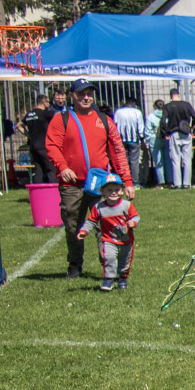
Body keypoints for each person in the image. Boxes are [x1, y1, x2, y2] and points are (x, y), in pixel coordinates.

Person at [45, 79, 134, 279]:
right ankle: (75, 264)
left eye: (89, 94)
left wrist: (127, 182)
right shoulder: (62, 119)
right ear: (72, 96)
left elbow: (118, 151)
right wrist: (63, 166)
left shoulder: (104, 120)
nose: (86, 97)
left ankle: (109, 267)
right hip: (72, 185)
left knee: (106, 224)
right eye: (81, 94)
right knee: (73, 226)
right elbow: (52, 146)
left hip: (101, 185)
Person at [76, 173, 139, 292]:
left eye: (116, 189)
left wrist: (132, 223)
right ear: (102, 192)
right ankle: (108, 280)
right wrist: (84, 231)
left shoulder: (126, 205)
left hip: (126, 240)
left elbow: (136, 217)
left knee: (125, 263)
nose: (113, 192)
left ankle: (122, 279)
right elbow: (91, 221)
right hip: (109, 240)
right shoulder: (99, 208)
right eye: (109, 190)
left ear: (122, 191)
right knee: (109, 258)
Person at [159, 88, 195, 189]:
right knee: (187, 159)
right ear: (179, 94)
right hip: (186, 132)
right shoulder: (187, 105)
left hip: (174, 133)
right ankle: (187, 183)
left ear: (171, 95)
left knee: (175, 159)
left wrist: (165, 132)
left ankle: (177, 184)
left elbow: (163, 121)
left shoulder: (167, 106)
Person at [21, 93, 56, 183]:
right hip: (43, 145)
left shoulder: (29, 115)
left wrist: (29, 135)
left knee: (38, 170)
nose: (49, 104)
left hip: (33, 147)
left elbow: (18, 125)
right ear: (44, 102)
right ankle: (54, 191)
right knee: (51, 168)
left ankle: (38, 193)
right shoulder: (45, 114)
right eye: (48, 102)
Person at [114, 96, 145, 184]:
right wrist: (142, 138)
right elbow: (140, 127)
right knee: (134, 162)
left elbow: (114, 125)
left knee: (123, 161)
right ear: (134, 103)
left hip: (121, 140)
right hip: (134, 140)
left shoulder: (118, 112)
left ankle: (123, 181)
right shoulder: (137, 112)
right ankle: (134, 182)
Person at [144, 99, 167, 188]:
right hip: (166, 138)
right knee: (168, 160)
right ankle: (170, 180)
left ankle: (161, 182)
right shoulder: (166, 115)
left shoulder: (151, 116)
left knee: (158, 161)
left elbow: (147, 130)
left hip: (154, 138)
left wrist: (147, 141)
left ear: (154, 106)